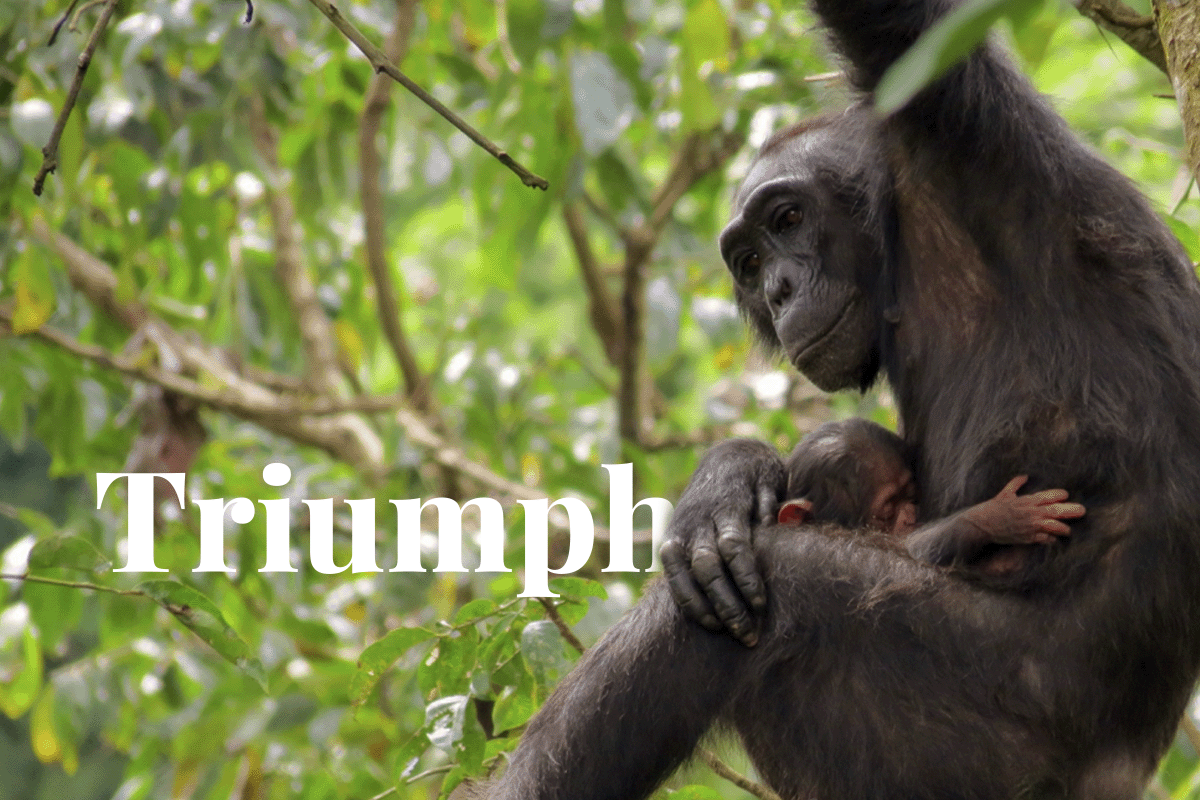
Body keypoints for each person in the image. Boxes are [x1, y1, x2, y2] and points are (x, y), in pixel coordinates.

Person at [778, 419, 1085, 572]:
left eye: (911, 497)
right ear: (802, 522)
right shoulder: (798, 563)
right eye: (887, 513)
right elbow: (869, 571)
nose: (911, 515)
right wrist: (982, 524)